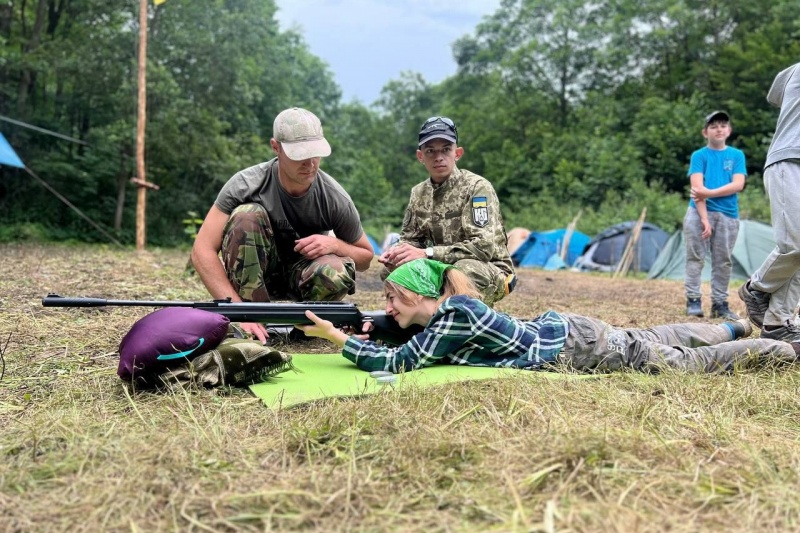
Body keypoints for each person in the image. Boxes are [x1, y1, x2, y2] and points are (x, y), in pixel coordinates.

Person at [298, 259, 797, 374]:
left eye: (393, 299)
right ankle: (732, 324)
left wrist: (338, 339)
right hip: (568, 330)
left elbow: (403, 364)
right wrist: (379, 328)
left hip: (580, 348)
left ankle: (781, 348)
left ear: (422, 295)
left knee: (679, 364)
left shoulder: (453, 313)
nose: (386, 307)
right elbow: (414, 339)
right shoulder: (448, 313)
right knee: (650, 334)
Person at [191, 107, 374, 343]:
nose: (310, 163)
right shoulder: (245, 184)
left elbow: (366, 258)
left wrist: (334, 244)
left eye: (315, 153)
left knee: (336, 268)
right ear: (275, 147)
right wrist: (236, 311)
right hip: (253, 277)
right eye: (299, 154)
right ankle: (253, 321)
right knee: (246, 215)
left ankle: (308, 328)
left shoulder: (333, 196)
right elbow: (201, 251)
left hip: (304, 276)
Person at [377, 116, 516, 306]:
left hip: (488, 267)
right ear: (420, 156)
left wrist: (428, 253)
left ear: (457, 153)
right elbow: (410, 239)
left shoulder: (476, 187)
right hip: (440, 264)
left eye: (446, 149)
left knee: (460, 273)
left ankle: (466, 323)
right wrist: (396, 253)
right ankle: (417, 321)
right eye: (430, 151)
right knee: (391, 270)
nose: (438, 157)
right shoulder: (418, 193)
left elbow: (484, 247)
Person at [739, 62, 800, 350]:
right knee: (795, 243)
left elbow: (776, 93)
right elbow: (776, 91)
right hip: (789, 160)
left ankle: (778, 323)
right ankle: (755, 288)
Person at [683, 110, 747, 319]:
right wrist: (703, 218)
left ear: (729, 130)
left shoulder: (736, 155)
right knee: (695, 258)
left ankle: (720, 304)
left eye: (722, 125)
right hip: (698, 212)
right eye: (713, 126)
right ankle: (693, 300)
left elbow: (738, 184)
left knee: (723, 260)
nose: (718, 129)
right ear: (705, 132)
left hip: (728, 215)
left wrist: (709, 193)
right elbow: (696, 189)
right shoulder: (699, 156)